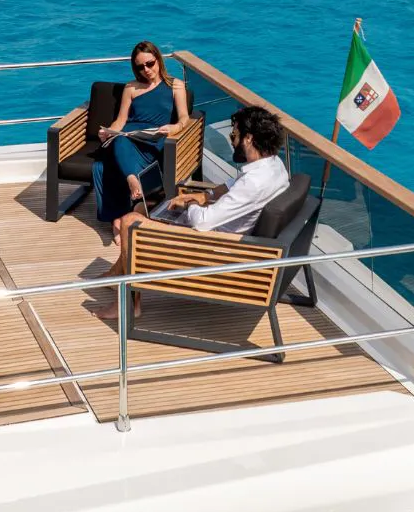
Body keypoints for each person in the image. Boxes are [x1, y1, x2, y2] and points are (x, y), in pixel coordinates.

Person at [87, 104, 290, 321]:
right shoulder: (274, 166)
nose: (231, 141)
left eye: (234, 135)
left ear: (248, 139)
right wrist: (206, 195)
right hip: (229, 237)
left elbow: (202, 222)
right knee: (143, 209)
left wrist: (190, 205)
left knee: (130, 222)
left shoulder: (253, 183)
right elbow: (233, 184)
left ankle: (129, 304)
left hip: (211, 249)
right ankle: (116, 274)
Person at [90, 41, 192, 222]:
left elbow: (184, 117)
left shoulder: (175, 85)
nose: (146, 70)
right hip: (128, 137)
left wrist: (174, 127)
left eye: (150, 64)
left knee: (108, 160)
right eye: (140, 67)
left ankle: (122, 211)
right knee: (117, 142)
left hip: (153, 140)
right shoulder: (131, 87)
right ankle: (131, 184)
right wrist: (108, 132)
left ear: (158, 59)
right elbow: (121, 121)